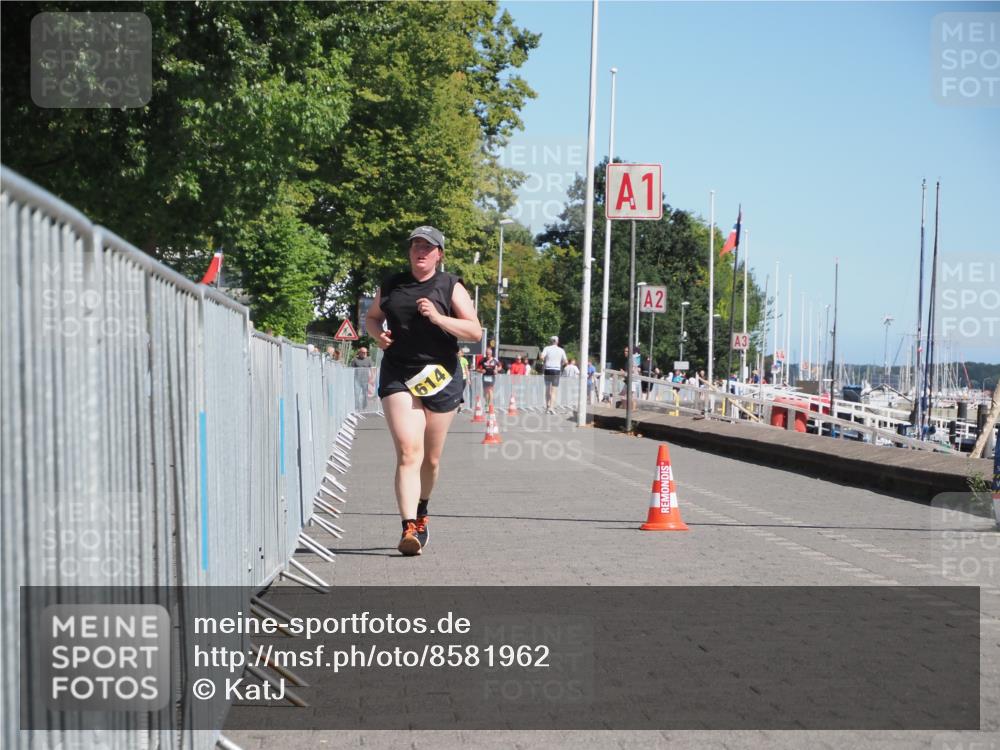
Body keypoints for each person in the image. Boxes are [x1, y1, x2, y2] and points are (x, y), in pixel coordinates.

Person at [365, 225, 481, 556]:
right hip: (399, 372)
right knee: (408, 451)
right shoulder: (391, 284)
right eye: (416, 245)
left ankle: (422, 510)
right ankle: (408, 529)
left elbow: (473, 331)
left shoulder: (450, 285)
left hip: (441, 375)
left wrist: (438, 318)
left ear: (439, 255)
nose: (421, 251)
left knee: (430, 458)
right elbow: (372, 318)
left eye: (428, 247)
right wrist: (377, 336)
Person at [540, 336, 568, 413]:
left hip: (548, 369)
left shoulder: (546, 348)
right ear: (557, 342)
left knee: (547, 388)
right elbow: (566, 362)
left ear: (550, 341)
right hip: (556, 370)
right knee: (554, 390)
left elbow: (541, 357)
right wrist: (560, 364)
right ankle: (551, 407)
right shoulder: (561, 350)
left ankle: (547, 407)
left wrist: (545, 361)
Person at [349, 346, 375, 411]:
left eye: (366, 353)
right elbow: (351, 369)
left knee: (365, 394)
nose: (365, 354)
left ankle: (364, 406)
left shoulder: (369, 359)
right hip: (357, 379)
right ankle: (356, 407)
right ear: (360, 352)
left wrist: (372, 377)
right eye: (363, 352)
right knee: (356, 393)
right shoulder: (355, 360)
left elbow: (372, 369)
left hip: (365, 380)